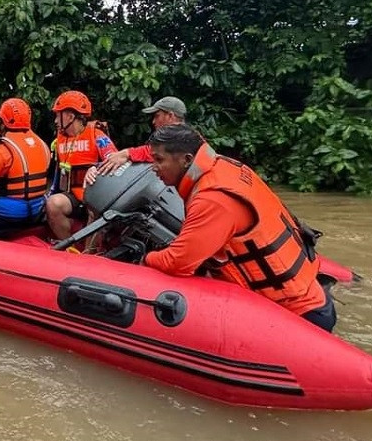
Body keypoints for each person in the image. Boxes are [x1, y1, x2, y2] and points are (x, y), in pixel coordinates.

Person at [141, 123, 337, 332]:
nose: (153, 167)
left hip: (298, 314)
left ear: (187, 159)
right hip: (311, 296)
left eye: (159, 160)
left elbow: (177, 263)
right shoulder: (226, 166)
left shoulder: (212, 200)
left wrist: (146, 258)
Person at [0, 97, 52, 234]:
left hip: (8, 216)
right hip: (37, 211)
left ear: (2, 122)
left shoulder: (2, 149)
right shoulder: (43, 145)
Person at [45, 91, 118, 240]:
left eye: (58, 115)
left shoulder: (96, 135)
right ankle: (69, 247)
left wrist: (96, 167)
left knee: (94, 211)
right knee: (52, 204)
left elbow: (115, 160)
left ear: (70, 117)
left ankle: (88, 254)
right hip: (73, 196)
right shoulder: (59, 139)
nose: (55, 121)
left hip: (95, 196)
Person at [89, 96, 188, 182]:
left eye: (157, 116)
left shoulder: (185, 137)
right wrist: (96, 168)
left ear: (170, 116)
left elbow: (159, 151)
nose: (153, 122)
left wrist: (127, 153)